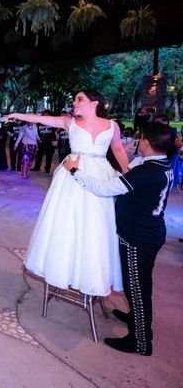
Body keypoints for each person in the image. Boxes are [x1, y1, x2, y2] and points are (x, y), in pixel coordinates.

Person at [62, 122, 175, 356]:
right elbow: (125, 176)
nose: (137, 141)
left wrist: (75, 171)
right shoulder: (159, 164)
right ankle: (135, 317)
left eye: (140, 138)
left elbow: (105, 189)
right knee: (138, 285)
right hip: (147, 233)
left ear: (146, 142)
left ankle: (141, 342)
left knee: (138, 288)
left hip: (139, 237)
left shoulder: (147, 172)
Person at [4, 90, 129, 296]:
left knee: (96, 225)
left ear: (94, 103)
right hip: (71, 173)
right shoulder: (68, 122)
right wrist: (16, 115)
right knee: (67, 222)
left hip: (100, 174)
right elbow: (39, 118)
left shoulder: (112, 126)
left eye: (80, 99)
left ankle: (91, 275)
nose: (75, 103)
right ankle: (63, 269)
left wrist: (127, 173)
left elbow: (118, 149)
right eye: (75, 100)